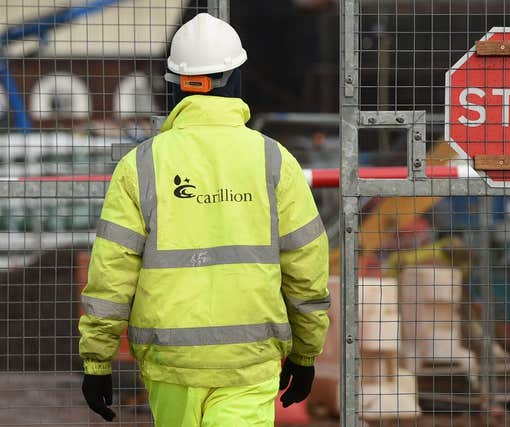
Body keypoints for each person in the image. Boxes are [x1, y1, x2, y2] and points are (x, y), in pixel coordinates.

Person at [78, 13, 330, 426]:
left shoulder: (141, 165)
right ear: (235, 78)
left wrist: (97, 360)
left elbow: (112, 273)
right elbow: (306, 267)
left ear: (175, 84)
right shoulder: (273, 161)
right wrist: (305, 353)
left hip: (171, 362)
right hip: (250, 362)